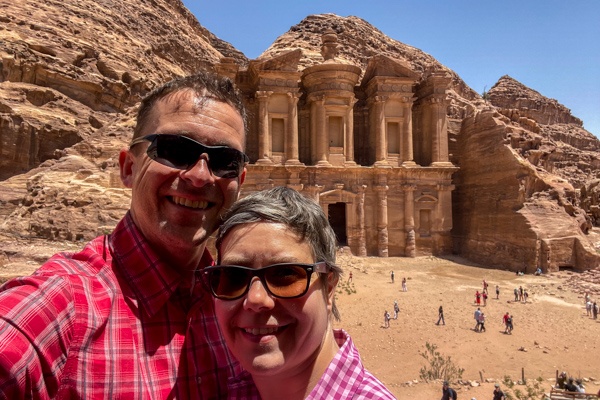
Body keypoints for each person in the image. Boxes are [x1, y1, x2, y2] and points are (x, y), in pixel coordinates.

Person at [0, 72, 249, 398]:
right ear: (128, 168)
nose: (200, 176)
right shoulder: (61, 308)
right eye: (175, 150)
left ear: (240, 182)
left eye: (224, 161)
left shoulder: (244, 307)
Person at [203, 186, 395, 399]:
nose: (255, 298)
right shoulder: (230, 391)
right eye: (233, 276)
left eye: (285, 274)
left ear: (329, 287)